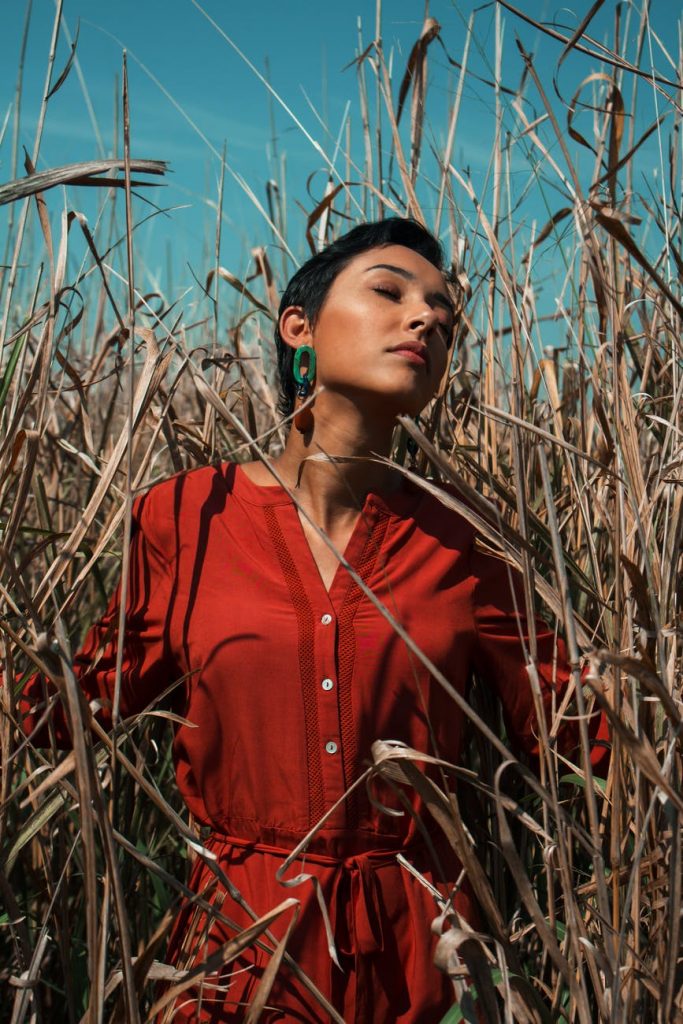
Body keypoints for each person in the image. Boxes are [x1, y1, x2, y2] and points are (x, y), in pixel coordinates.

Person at [18, 218, 608, 1022]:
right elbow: (69, 715)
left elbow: (574, 732)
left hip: (427, 956)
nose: (429, 318)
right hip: (241, 949)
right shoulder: (186, 516)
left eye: (445, 313)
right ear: (299, 327)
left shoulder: (466, 538)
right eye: (389, 292)